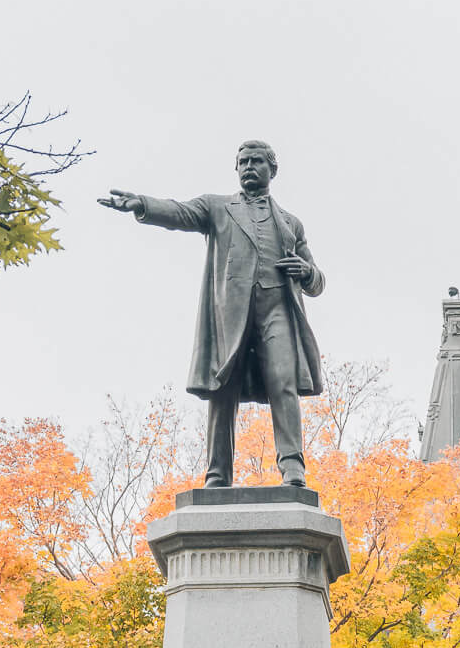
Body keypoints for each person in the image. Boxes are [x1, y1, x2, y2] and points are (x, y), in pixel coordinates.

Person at [98, 141, 325, 488]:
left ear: (272, 170)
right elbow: (181, 213)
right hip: (228, 314)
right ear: (236, 169)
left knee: (284, 382)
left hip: (276, 311)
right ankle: (218, 473)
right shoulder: (218, 207)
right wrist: (142, 205)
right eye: (243, 162)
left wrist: (306, 272)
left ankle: (293, 467)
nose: (249, 167)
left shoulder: (290, 223)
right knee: (223, 390)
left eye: (257, 161)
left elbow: (318, 280)